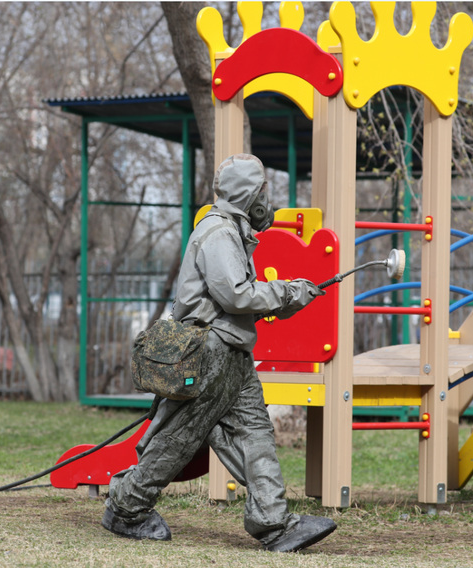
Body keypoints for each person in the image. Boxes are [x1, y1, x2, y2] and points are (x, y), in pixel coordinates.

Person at [102, 153, 337, 552]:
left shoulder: (233, 232)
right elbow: (235, 295)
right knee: (178, 437)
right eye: (264, 189)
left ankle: (273, 523)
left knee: (255, 435)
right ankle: (126, 508)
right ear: (250, 194)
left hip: (234, 357)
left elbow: (237, 298)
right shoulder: (218, 232)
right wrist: (289, 291)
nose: (268, 199)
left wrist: (288, 296)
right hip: (210, 354)